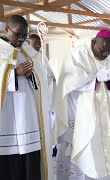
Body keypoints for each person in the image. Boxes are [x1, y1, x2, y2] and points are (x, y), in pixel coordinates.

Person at [54, 29, 110, 180]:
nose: (105, 54)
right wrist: (96, 79)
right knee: (83, 148)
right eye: (102, 50)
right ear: (93, 42)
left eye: (109, 51)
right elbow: (69, 81)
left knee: (102, 148)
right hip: (79, 113)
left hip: (104, 113)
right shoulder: (77, 54)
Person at [0, 15, 53, 180]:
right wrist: (14, 74)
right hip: (6, 124)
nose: (22, 39)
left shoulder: (28, 52)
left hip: (28, 121)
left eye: (25, 36)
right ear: (7, 29)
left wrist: (31, 76)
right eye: (18, 34)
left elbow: (43, 80)